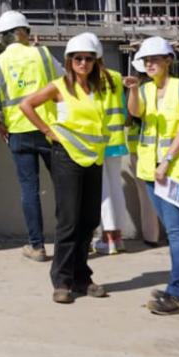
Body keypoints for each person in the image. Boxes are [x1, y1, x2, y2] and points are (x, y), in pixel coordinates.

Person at [24, 32, 111, 303]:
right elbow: (26, 105)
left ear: (96, 62)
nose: (82, 63)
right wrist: (47, 131)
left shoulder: (100, 88)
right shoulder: (59, 86)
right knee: (69, 220)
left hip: (93, 159)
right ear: (69, 61)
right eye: (77, 59)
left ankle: (81, 277)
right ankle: (61, 281)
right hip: (66, 158)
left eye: (88, 58)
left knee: (89, 220)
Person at [127, 36, 179, 316]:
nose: (149, 64)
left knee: (176, 231)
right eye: (146, 60)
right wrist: (133, 91)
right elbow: (136, 114)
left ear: (169, 60)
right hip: (151, 169)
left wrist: (166, 161)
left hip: (177, 169)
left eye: (155, 59)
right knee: (176, 230)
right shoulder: (145, 90)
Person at [0, 10, 62, 261]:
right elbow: (65, 84)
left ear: (4, 37)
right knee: (64, 186)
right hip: (50, 130)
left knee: (29, 190)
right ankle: (72, 240)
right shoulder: (43, 54)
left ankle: (37, 246)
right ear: (22, 32)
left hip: (18, 134)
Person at [93, 40, 132, 256]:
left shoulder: (89, 79)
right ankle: (118, 236)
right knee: (115, 188)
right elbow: (124, 111)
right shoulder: (116, 77)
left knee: (103, 191)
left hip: (98, 141)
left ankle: (107, 238)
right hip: (116, 138)